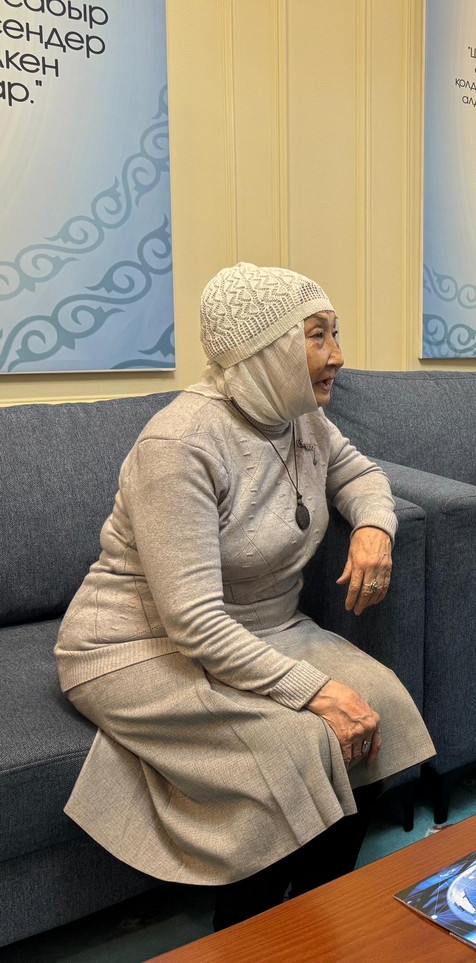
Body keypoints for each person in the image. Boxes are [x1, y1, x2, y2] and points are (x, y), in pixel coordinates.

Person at [54, 262, 435, 928]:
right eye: (317, 336)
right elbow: (194, 623)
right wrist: (315, 690)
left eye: (335, 333)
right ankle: (248, 939)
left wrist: (375, 527)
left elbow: (362, 476)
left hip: (266, 627)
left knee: (382, 709)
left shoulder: (301, 418)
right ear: (267, 351)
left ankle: (312, 918)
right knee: (292, 751)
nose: (338, 355)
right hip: (139, 644)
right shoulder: (179, 443)